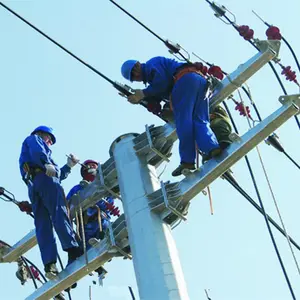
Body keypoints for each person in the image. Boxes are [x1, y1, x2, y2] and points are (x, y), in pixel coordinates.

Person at [121, 57, 222, 177]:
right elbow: (161, 88)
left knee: (184, 123)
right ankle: (212, 147)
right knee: (199, 120)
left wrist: (143, 93)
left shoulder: (152, 64)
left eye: (135, 71)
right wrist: (149, 100)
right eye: (133, 76)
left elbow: (162, 83)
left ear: (138, 64)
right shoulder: (153, 75)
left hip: (184, 81)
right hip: (200, 81)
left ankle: (187, 162)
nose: (137, 75)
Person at [19, 125, 83, 280]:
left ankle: (50, 264)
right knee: (58, 212)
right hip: (44, 181)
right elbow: (40, 155)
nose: (50, 143)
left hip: (34, 186)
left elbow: (55, 174)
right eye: (49, 140)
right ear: (42, 134)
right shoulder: (34, 139)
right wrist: (46, 161)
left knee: (42, 225)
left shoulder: (31, 157)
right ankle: (72, 248)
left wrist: (68, 166)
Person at [66, 159, 118, 281]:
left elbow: (109, 201)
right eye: (88, 166)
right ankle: (68, 277)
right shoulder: (78, 188)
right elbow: (68, 206)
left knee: (106, 235)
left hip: (101, 221)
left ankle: (100, 261)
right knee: (79, 248)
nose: (91, 167)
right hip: (84, 224)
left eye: (93, 166)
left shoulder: (105, 185)